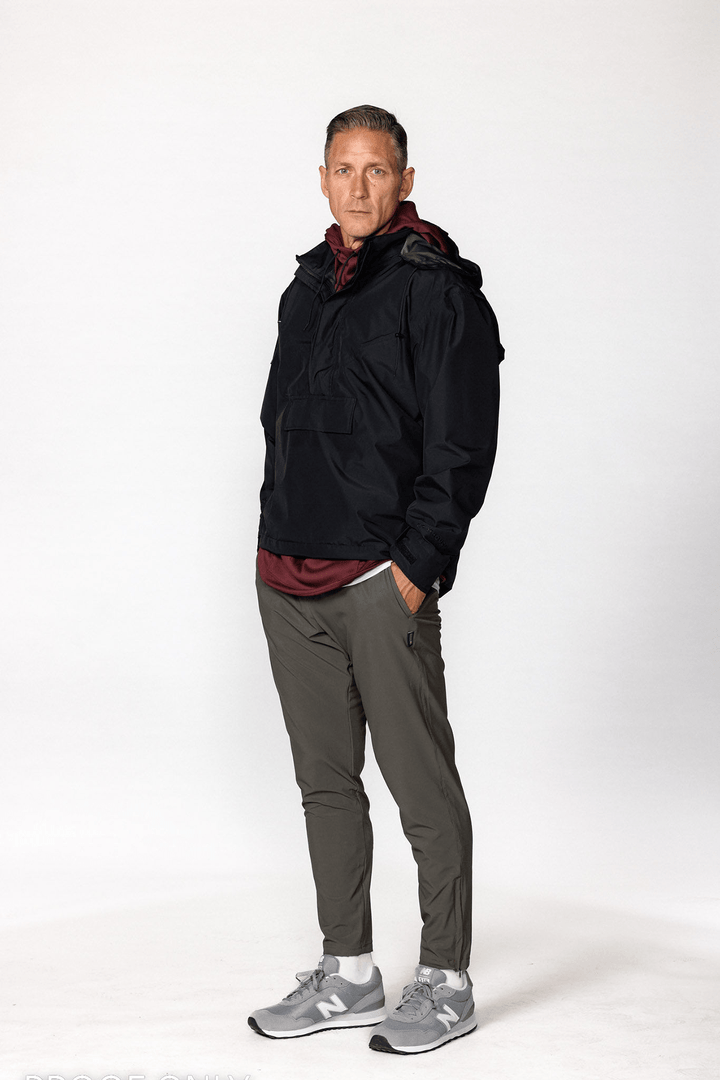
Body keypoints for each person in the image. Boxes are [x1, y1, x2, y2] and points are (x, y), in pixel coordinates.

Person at [249, 104, 503, 1055]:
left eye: (377, 169)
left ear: (404, 179)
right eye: (343, 169)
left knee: (419, 783)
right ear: (322, 178)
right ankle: (348, 972)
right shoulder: (305, 287)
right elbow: (277, 423)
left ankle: (445, 980)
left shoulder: (434, 288)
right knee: (325, 785)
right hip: (289, 575)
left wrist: (417, 568)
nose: (359, 187)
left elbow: (462, 441)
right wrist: (270, 537)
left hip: (377, 581)